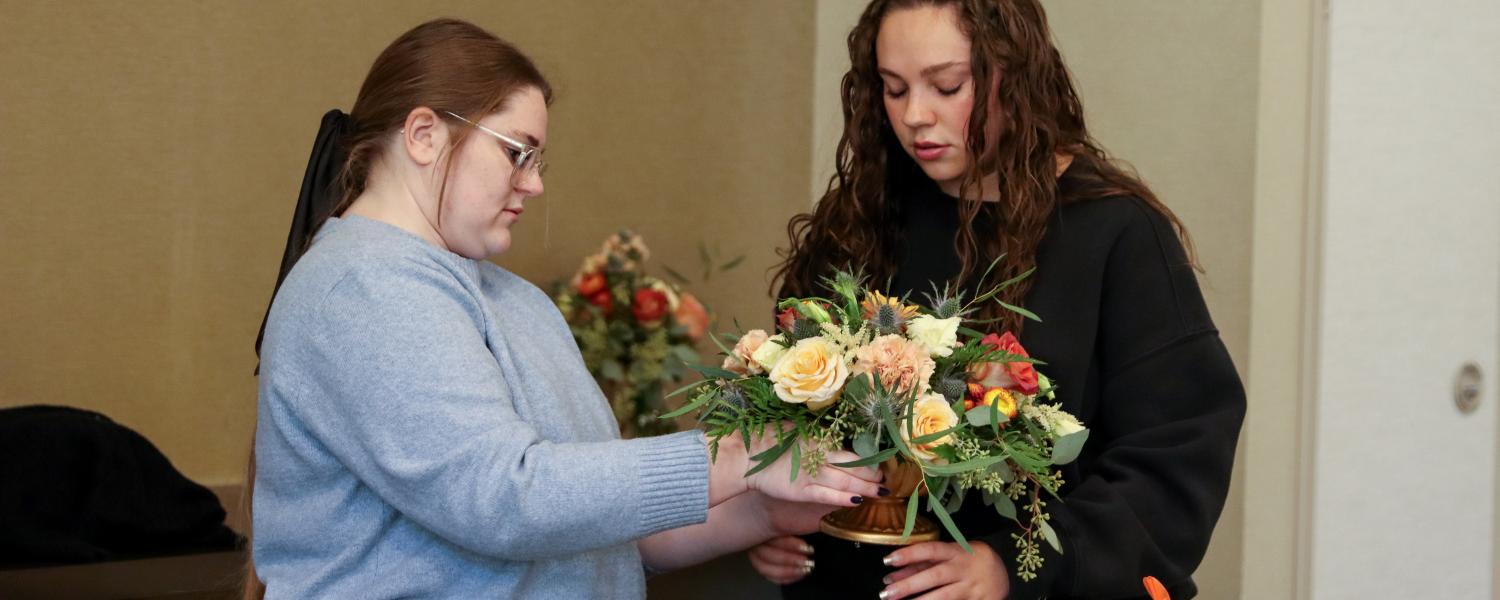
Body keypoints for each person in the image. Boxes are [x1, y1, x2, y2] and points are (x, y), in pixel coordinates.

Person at [247, 18, 881, 599]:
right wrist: (738, 458)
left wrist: (762, 508)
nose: (535, 183)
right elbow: (505, 499)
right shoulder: (363, 288)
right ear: (422, 134)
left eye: (538, 159)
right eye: (516, 151)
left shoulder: (511, 300)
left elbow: (591, 532)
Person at [750, 1, 1246, 598]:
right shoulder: (861, 221)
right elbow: (781, 403)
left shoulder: (1114, 230)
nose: (914, 115)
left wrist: (1010, 565)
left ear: (1014, 75)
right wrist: (764, 516)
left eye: (948, 85)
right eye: (893, 88)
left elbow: (1176, 453)